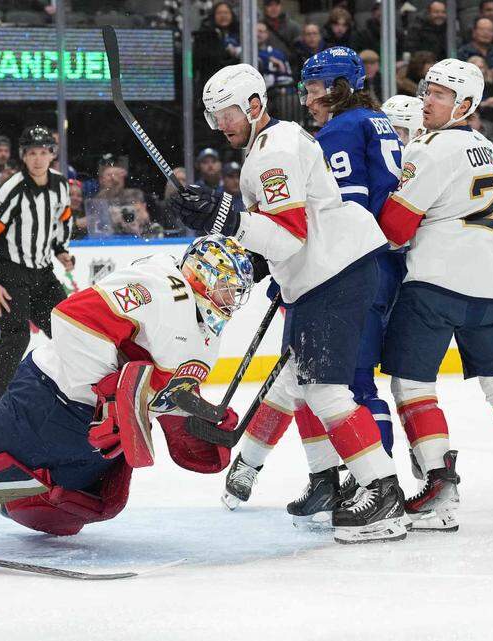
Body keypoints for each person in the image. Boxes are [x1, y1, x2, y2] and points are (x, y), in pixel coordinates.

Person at [0, 236, 254, 537]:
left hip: (93, 436)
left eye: (237, 292)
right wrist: (107, 397)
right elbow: (73, 317)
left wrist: (198, 420)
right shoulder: (161, 287)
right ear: (202, 275)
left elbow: (154, 391)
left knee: (79, 507)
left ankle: (13, 485)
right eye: (227, 287)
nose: (233, 300)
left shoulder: (208, 336)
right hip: (45, 400)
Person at [167, 63, 405, 544]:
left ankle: (383, 492)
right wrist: (231, 237)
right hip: (323, 274)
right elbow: (274, 237)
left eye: (228, 113)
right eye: (214, 118)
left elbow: (290, 237)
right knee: (296, 381)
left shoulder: (273, 152)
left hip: (331, 273)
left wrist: (226, 215)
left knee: (324, 390)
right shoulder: (266, 146)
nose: (222, 125)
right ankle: (325, 481)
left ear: (255, 105)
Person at [377, 58, 493, 531]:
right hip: (491, 283)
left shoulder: (431, 149)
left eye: (438, 94)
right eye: (426, 90)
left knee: (411, 385)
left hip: (436, 283)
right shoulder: (482, 144)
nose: (426, 100)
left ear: (464, 104)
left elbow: (395, 230)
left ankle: (440, 484)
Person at [0, 125, 74, 398]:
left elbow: (62, 218)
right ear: (23, 156)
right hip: (11, 274)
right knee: (16, 336)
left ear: (52, 154)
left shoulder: (61, 184)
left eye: (43, 152)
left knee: (70, 331)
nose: (38, 159)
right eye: (32, 153)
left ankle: (75, 394)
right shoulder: (9, 190)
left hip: (43, 272)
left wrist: (61, 248)